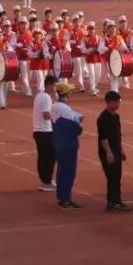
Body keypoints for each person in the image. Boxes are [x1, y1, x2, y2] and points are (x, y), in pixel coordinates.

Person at [97, 91, 132, 211]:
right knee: (112, 177)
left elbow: (118, 135)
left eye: (118, 102)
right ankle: (113, 202)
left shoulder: (116, 117)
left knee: (117, 176)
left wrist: (121, 150)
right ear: (109, 102)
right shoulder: (103, 118)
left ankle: (116, 200)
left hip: (116, 150)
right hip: (108, 152)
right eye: (116, 102)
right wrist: (108, 152)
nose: (118, 104)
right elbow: (103, 138)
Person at [51, 81, 83, 209]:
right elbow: (75, 126)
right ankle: (66, 199)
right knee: (68, 171)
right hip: (67, 143)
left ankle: (62, 197)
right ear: (66, 93)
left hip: (58, 141)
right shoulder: (64, 108)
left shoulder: (55, 105)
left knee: (62, 170)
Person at [32, 74, 57, 191]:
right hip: (45, 131)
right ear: (50, 85)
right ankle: (46, 182)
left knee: (44, 157)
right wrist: (56, 118)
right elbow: (46, 115)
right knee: (48, 157)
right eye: (55, 86)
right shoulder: (46, 97)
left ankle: (46, 180)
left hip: (39, 130)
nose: (55, 89)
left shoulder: (39, 95)